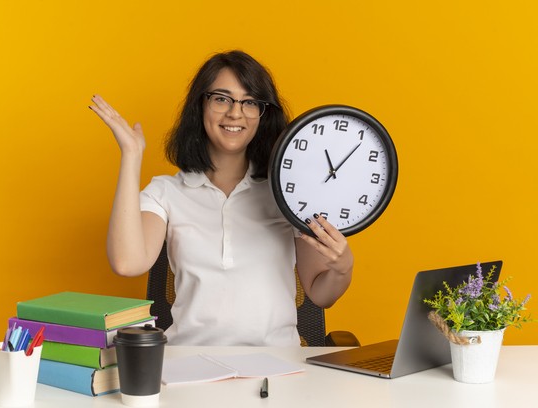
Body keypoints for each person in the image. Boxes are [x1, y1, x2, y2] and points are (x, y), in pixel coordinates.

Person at [90, 50, 354, 346]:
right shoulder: (167, 192)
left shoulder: (290, 193)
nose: (235, 113)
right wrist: (131, 155)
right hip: (189, 366)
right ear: (200, 105)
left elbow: (321, 293)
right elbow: (127, 263)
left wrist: (342, 267)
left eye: (250, 102)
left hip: (277, 369)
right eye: (221, 98)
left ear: (263, 114)